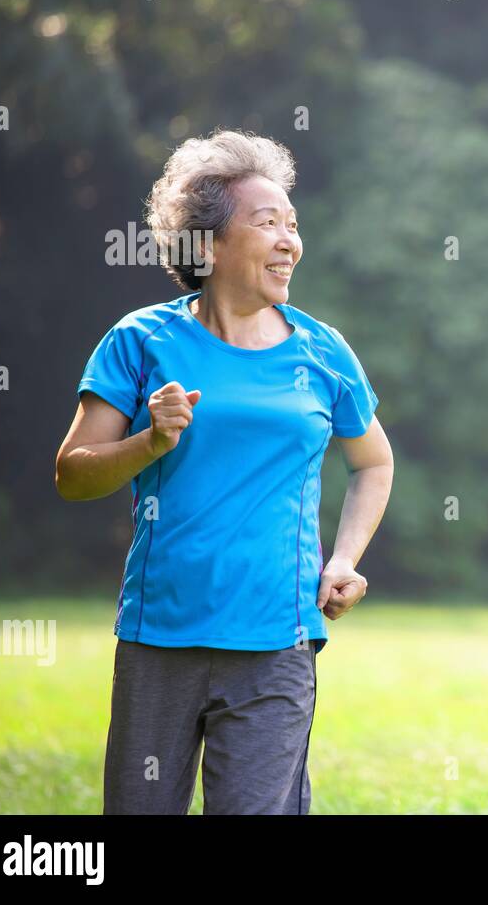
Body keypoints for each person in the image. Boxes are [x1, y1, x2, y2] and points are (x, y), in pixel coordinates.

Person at [55, 129, 394, 814]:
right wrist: (149, 441)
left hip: (278, 638)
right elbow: (73, 472)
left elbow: (374, 461)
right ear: (205, 245)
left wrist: (344, 558)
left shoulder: (322, 350)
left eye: (293, 225)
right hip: (161, 636)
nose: (289, 240)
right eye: (267, 223)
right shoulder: (140, 339)